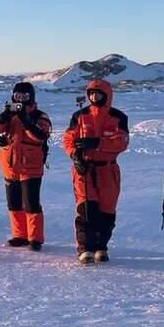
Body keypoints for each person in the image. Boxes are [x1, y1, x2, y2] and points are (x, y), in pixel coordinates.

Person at [62, 80, 129, 264]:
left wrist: (98, 143)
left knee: (106, 211)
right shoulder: (80, 116)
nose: (93, 97)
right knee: (86, 209)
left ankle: (101, 246)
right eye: (90, 94)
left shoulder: (118, 117)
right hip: (84, 169)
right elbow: (68, 139)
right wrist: (75, 156)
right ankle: (85, 248)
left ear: (107, 95)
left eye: (97, 94)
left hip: (108, 170)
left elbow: (121, 142)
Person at [0, 82, 52, 251]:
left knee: (31, 203)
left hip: (30, 168)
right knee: (14, 203)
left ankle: (35, 238)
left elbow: (40, 136)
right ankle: (20, 235)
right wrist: (4, 116)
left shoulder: (40, 116)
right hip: (10, 167)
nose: (20, 100)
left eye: (24, 97)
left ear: (31, 97)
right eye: (17, 96)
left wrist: (27, 121)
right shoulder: (10, 115)